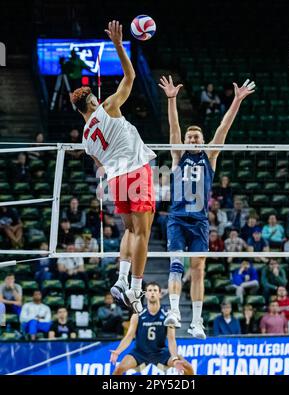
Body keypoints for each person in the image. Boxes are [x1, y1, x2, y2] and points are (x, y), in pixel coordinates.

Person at [158, 74, 255, 338]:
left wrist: (235, 101)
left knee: (198, 270)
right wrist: (171, 99)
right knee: (176, 264)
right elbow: (173, 127)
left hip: (199, 221)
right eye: (190, 137)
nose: (192, 139)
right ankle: (175, 311)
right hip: (177, 218)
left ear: (202, 140)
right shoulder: (178, 155)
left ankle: (197, 322)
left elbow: (223, 128)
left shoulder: (209, 156)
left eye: (196, 137)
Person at [70, 21, 156, 314]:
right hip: (135, 170)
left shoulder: (85, 140)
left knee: (130, 231)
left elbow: (101, 163)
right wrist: (119, 45)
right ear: (92, 102)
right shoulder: (107, 107)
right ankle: (135, 288)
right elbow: (130, 77)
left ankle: (120, 280)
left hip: (116, 179)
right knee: (143, 233)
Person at [110, 282, 194, 375]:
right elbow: (129, 336)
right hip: (140, 352)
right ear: (145, 294)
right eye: (149, 290)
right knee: (118, 369)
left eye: (155, 290)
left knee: (187, 367)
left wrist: (174, 358)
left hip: (161, 352)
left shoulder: (168, 315)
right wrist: (118, 351)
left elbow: (171, 339)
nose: (152, 293)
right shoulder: (138, 314)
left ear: (160, 294)